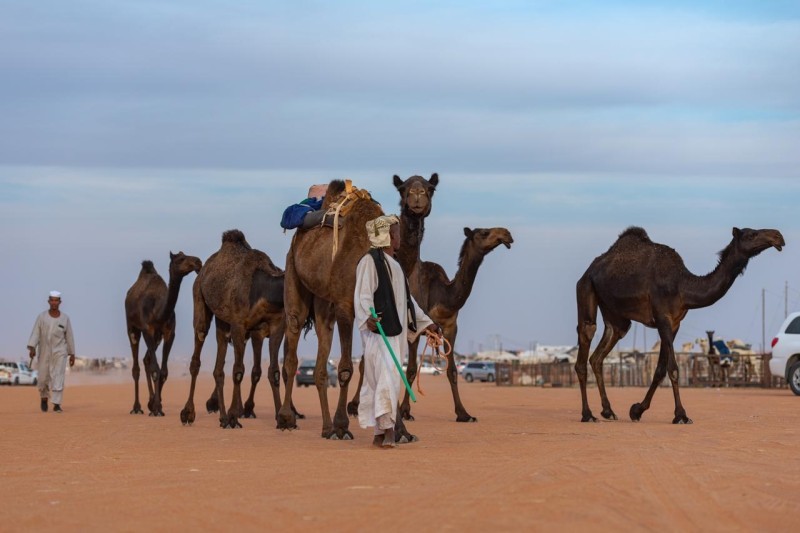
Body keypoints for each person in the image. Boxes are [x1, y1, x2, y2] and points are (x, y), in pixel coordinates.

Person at [354, 214, 439, 448]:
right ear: (389, 237)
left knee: (387, 380)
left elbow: (407, 302)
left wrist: (427, 323)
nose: (400, 237)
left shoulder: (396, 267)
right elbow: (362, 295)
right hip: (378, 333)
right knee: (386, 379)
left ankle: (380, 434)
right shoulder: (369, 262)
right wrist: (367, 318)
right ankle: (389, 431)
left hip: (396, 333)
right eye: (397, 233)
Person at [27, 290, 76, 413]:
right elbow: (35, 333)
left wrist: (72, 353)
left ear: (60, 302)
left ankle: (57, 404)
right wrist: (32, 348)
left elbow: (69, 336)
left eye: (56, 300)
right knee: (43, 377)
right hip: (44, 350)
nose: (54, 302)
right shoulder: (42, 317)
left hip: (60, 351)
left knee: (58, 376)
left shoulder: (65, 319)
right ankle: (44, 397)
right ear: (49, 301)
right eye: (52, 300)